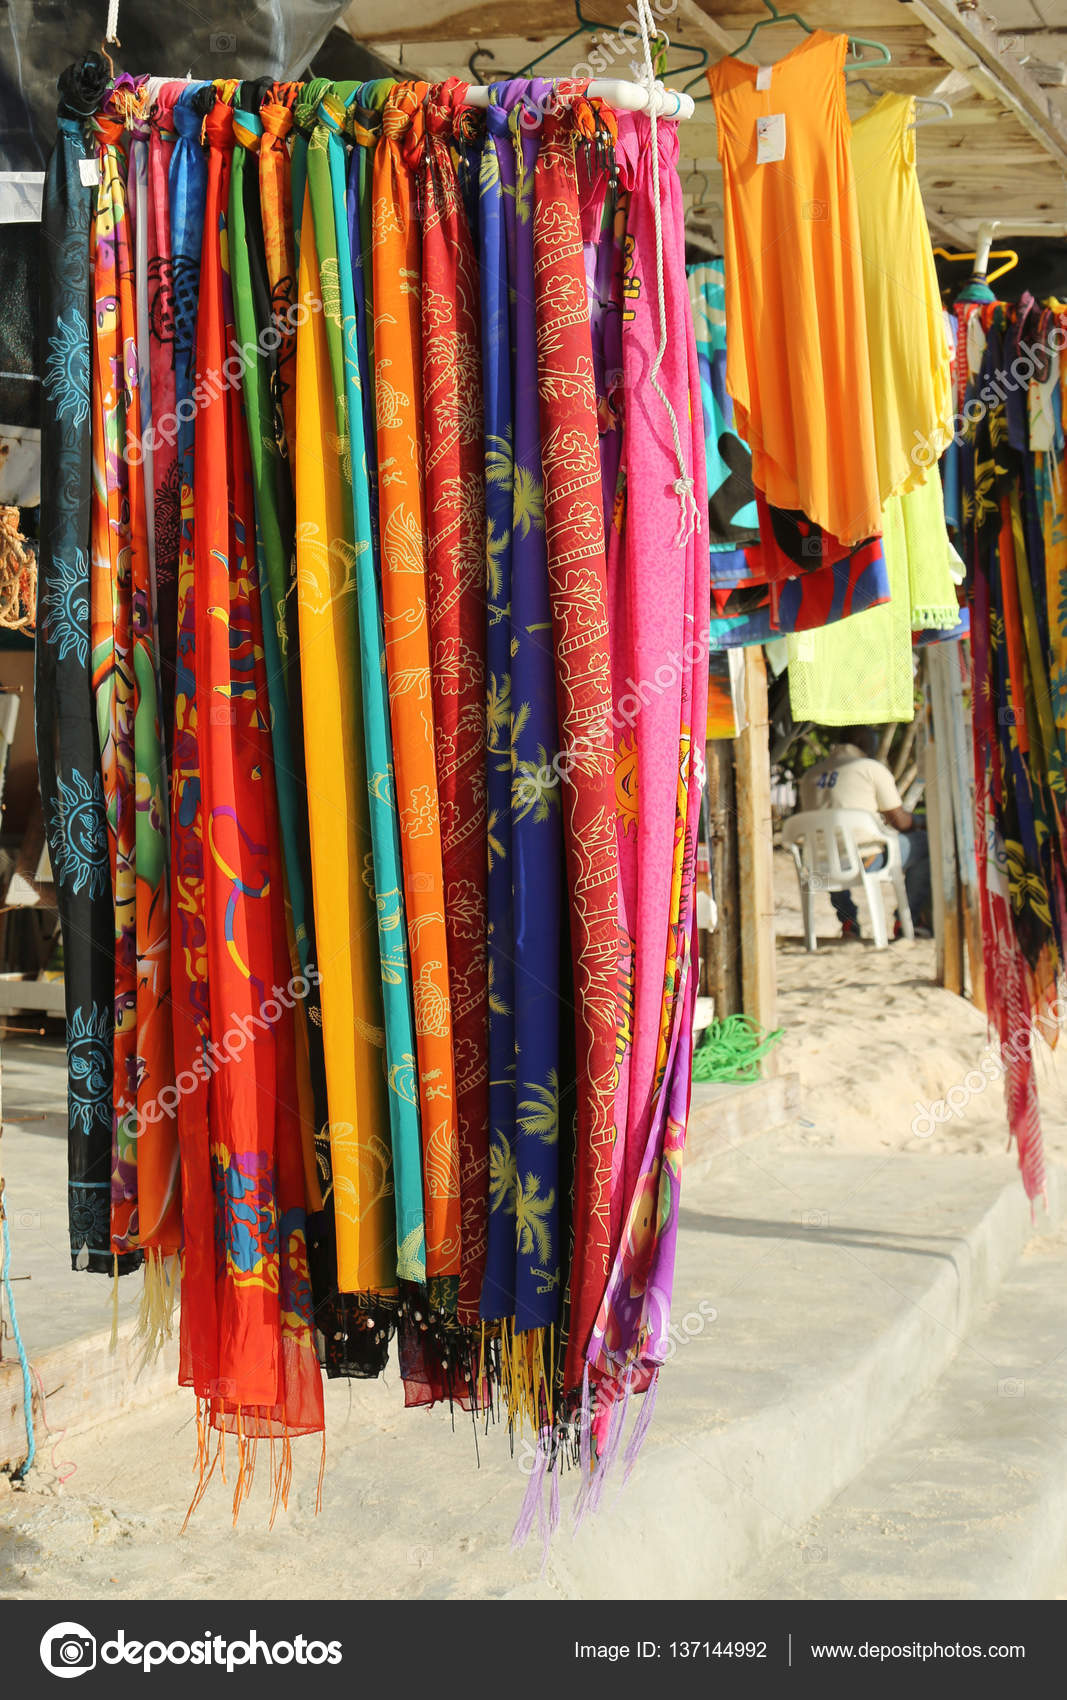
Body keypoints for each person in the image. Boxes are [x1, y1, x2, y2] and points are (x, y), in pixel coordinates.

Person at [797, 726, 932, 940]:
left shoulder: (810, 775)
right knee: (925, 844)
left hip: (818, 867)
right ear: (861, 740)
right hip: (865, 861)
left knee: (832, 849)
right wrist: (924, 821)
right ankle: (908, 920)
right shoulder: (869, 768)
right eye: (873, 739)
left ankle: (848, 921)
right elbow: (901, 822)